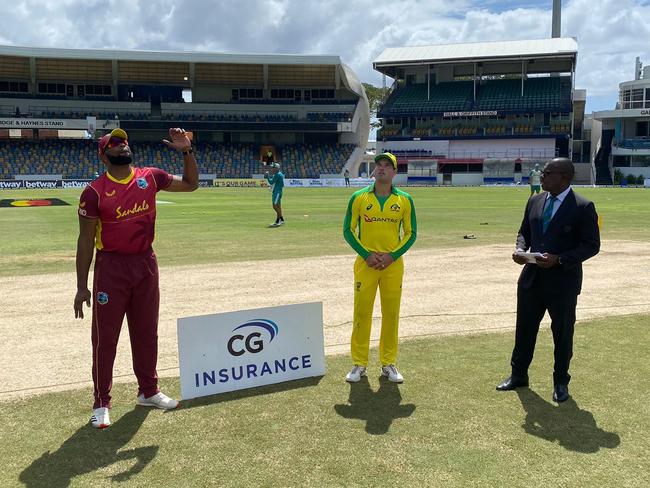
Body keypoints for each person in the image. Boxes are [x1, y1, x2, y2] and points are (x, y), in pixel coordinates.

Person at [74, 127, 198, 429]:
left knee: (146, 332)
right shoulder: (93, 193)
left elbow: (192, 184)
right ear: (104, 155)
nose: (122, 145)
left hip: (145, 264)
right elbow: (85, 240)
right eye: (115, 144)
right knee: (105, 340)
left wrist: (186, 151)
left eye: (124, 141)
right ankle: (101, 401)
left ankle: (148, 390)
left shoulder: (150, 177)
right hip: (111, 268)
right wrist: (81, 286)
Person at [496, 158, 600, 403]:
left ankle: (561, 381)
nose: (541, 176)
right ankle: (518, 375)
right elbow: (524, 232)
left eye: (547, 173)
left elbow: (592, 246)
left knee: (562, 333)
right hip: (531, 278)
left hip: (563, 282)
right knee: (524, 329)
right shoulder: (534, 200)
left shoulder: (583, 206)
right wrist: (520, 249)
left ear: (564, 177)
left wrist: (560, 259)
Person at [343, 152, 417, 384]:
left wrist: (392, 256)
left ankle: (388, 363)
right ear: (374, 171)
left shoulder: (404, 199)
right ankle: (359, 363)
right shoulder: (358, 197)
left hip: (392, 267)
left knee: (391, 314)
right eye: (379, 165)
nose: (382, 168)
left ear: (395, 172)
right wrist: (366, 255)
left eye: (388, 166)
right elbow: (348, 230)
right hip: (366, 265)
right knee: (362, 314)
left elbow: (411, 233)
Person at [264, 162, 285, 227]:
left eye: (273, 168)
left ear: (276, 168)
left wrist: (267, 176)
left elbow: (271, 182)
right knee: (278, 206)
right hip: (277, 192)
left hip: (277, 192)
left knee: (275, 206)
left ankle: (279, 221)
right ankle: (280, 220)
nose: (272, 169)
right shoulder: (279, 174)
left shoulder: (277, 175)